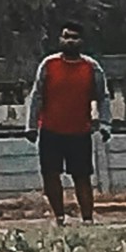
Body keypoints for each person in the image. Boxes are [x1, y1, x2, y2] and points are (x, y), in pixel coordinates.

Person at [31, 33, 103, 219]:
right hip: (50, 130)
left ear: (82, 42)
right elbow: (37, 96)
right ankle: (60, 217)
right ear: (59, 40)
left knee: (82, 176)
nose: (69, 41)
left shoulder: (91, 67)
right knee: (50, 174)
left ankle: (87, 219)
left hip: (79, 131)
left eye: (75, 38)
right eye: (65, 37)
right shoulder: (49, 64)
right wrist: (31, 126)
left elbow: (102, 97)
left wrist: (105, 124)